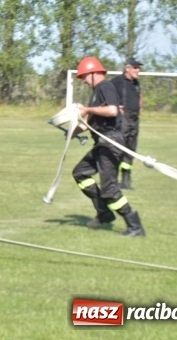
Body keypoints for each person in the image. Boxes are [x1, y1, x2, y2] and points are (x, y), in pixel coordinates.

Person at [69, 56, 145, 237]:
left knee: (109, 189)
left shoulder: (105, 86)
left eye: (85, 77)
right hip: (101, 144)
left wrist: (87, 109)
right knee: (80, 173)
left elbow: (112, 110)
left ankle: (135, 226)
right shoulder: (96, 93)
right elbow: (88, 123)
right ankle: (104, 212)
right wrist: (70, 134)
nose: (84, 82)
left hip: (110, 144)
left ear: (94, 73)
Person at [110, 57, 143, 190]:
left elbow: (139, 97)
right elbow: (106, 96)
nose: (138, 70)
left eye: (138, 68)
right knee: (118, 149)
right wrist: (116, 107)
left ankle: (126, 180)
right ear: (127, 68)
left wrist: (140, 105)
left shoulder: (136, 83)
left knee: (131, 149)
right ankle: (111, 180)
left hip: (134, 120)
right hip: (122, 120)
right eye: (135, 67)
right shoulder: (116, 82)